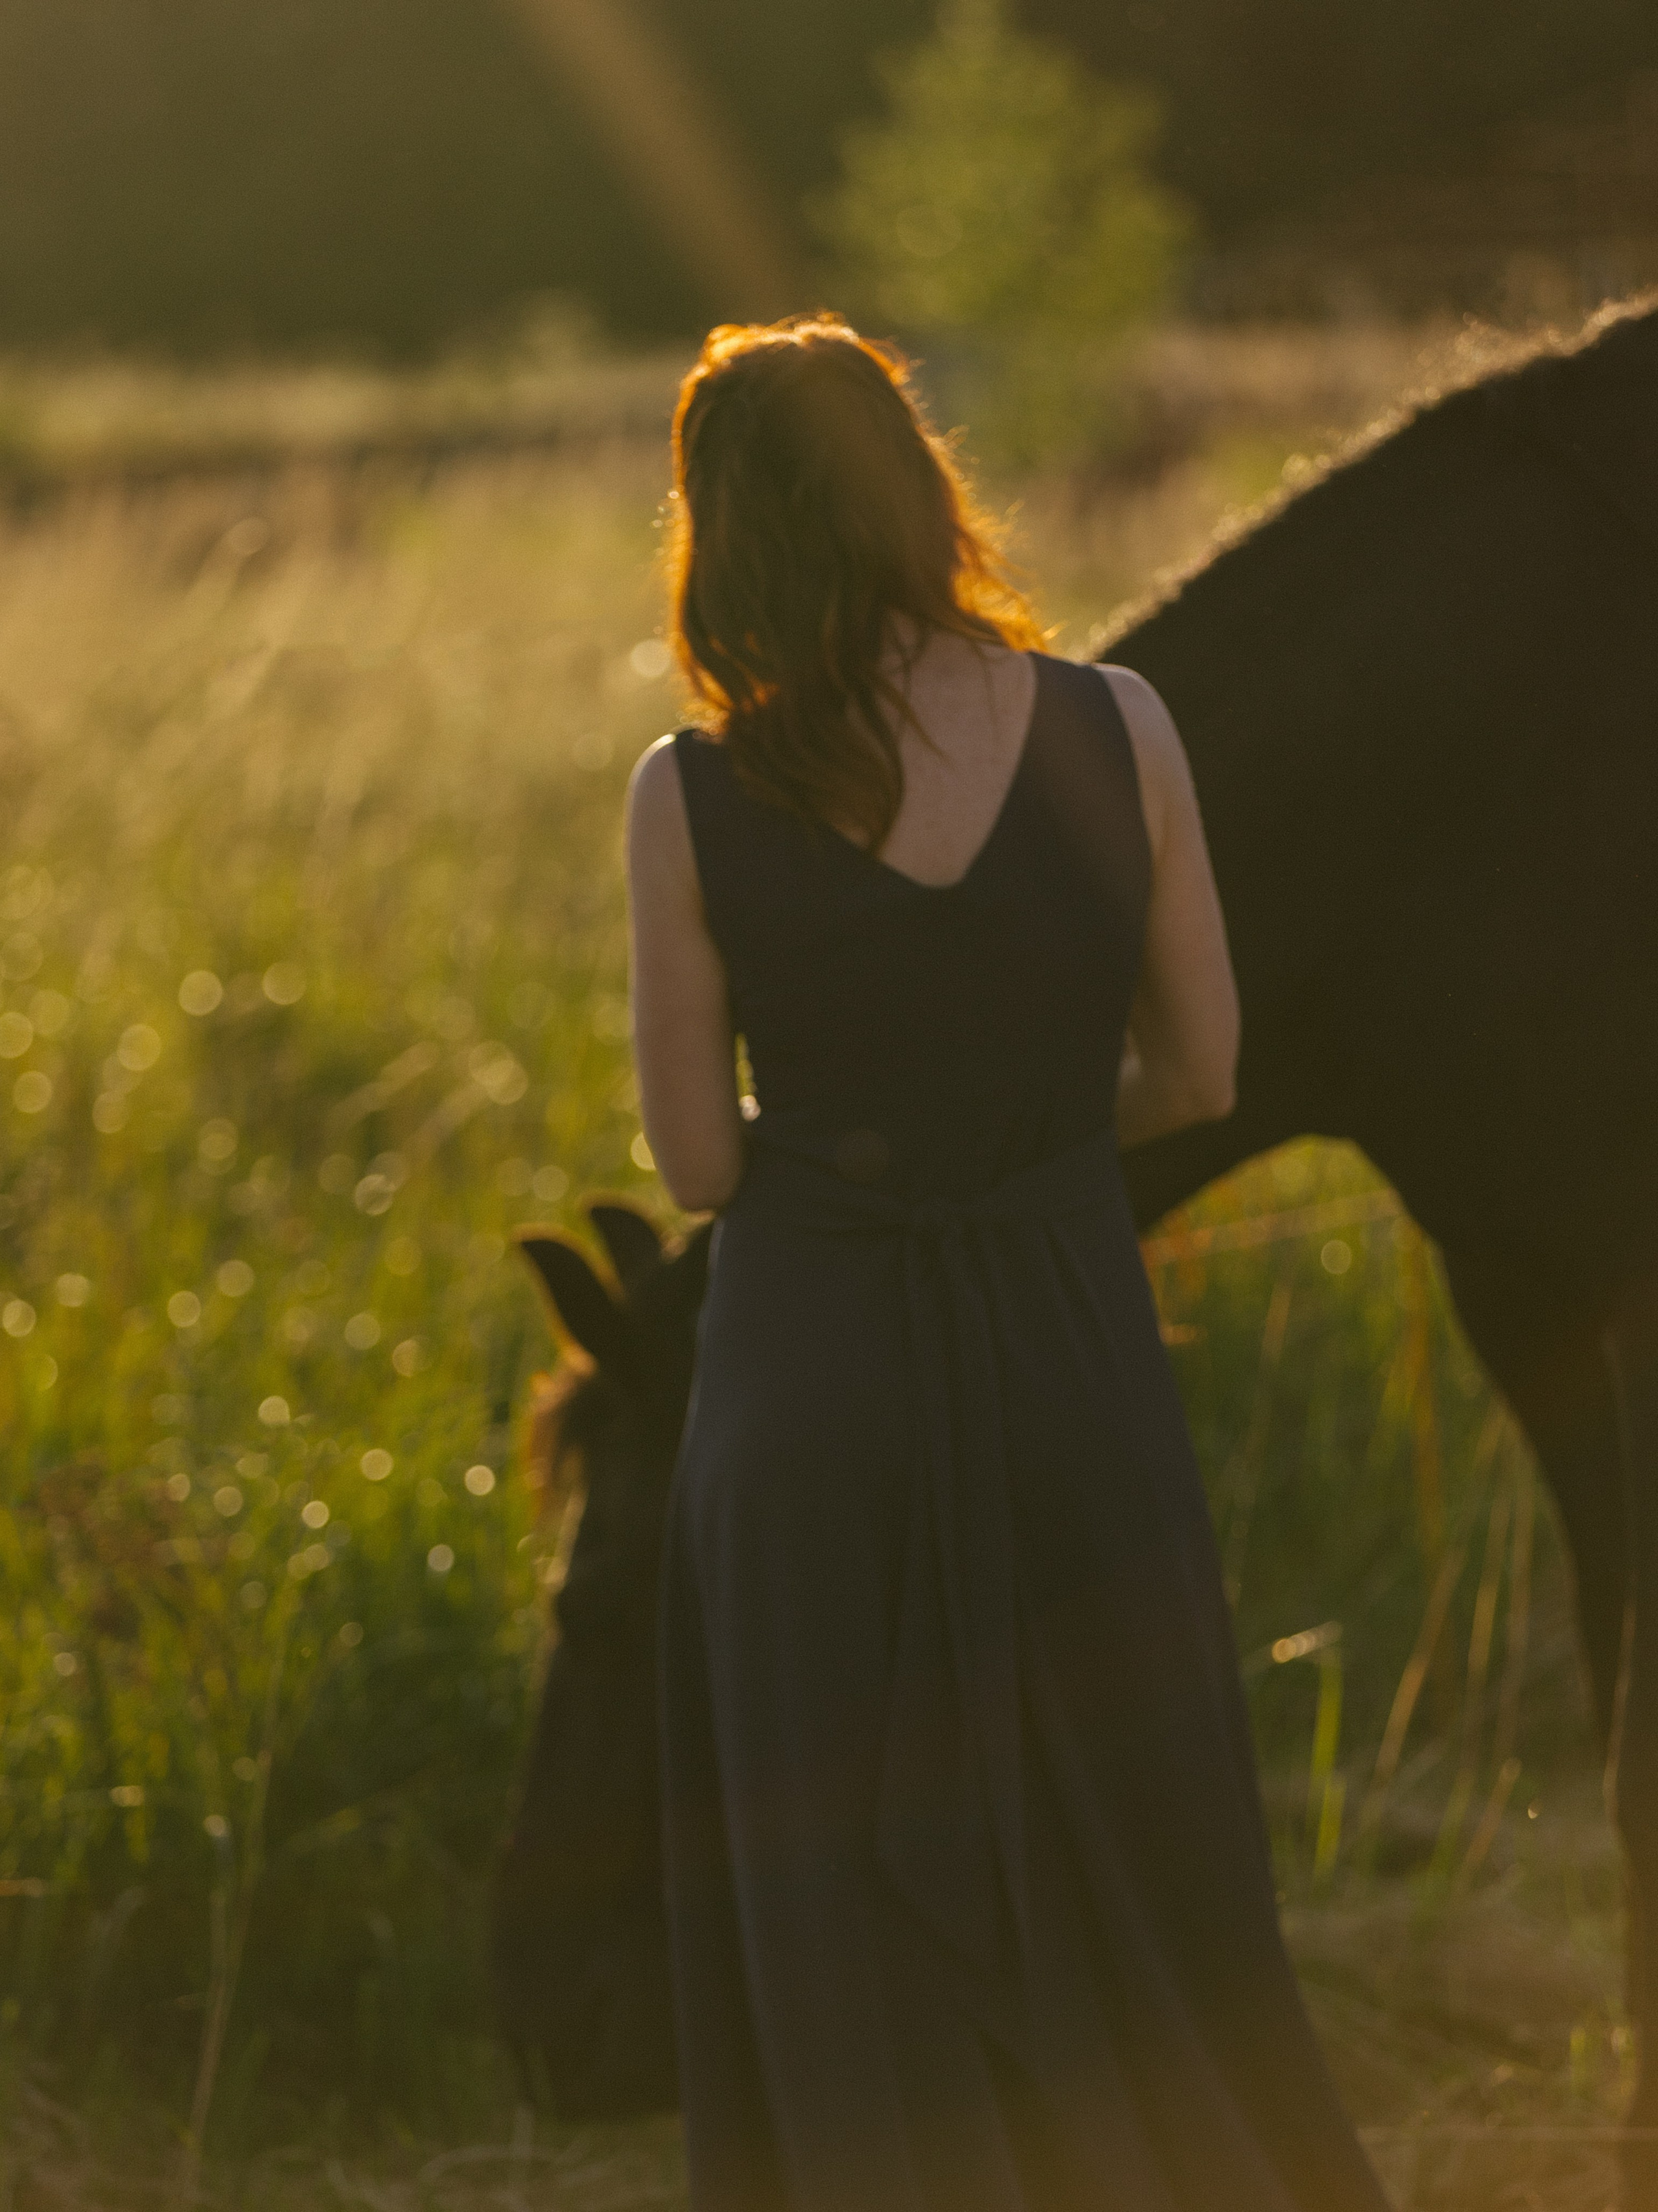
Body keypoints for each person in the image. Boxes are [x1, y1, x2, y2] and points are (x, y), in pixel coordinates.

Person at [625, 315, 1386, 2212]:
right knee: (1135, 1853)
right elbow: (1204, 1070)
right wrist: (1024, 1133)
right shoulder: (1119, 729)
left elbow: (703, 1160)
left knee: (831, 1887)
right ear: (914, 482)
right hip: (1065, 1345)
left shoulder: (692, 794)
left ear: (722, 530)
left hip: (810, 1378)